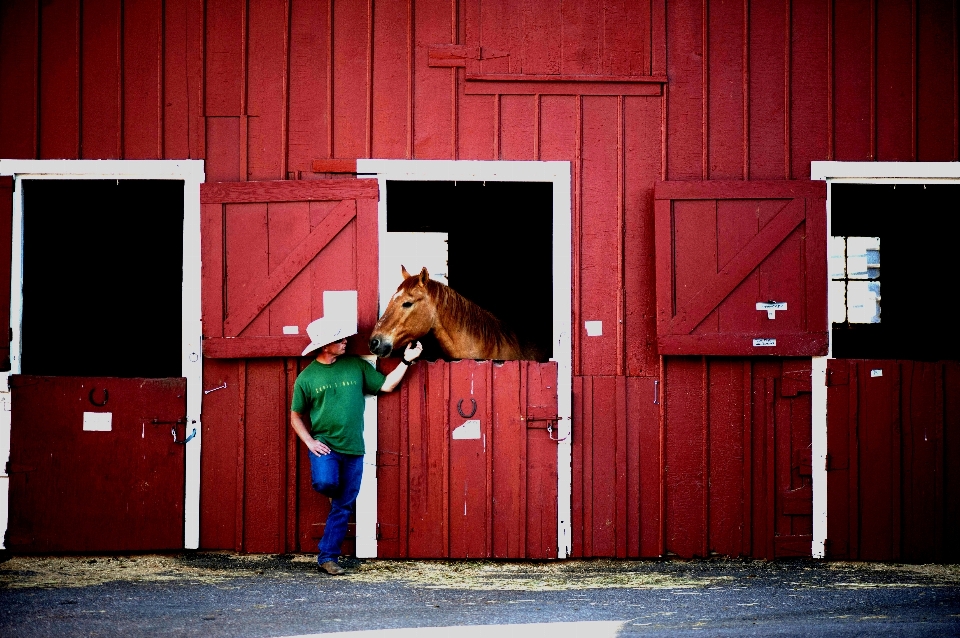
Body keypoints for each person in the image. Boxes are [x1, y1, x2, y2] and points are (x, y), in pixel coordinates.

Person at [290, 316, 422, 576]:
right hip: (325, 446)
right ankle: (332, 494)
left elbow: (387, 385)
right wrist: (309, 441)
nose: (345, 341)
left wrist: (407, 359)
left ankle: (327, 558)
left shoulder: (355, 365)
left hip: (353, 449)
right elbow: (295, 415)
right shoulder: (307, 378)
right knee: (327, 483)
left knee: (342, 506)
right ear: (325, 345)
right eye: (339, 339)